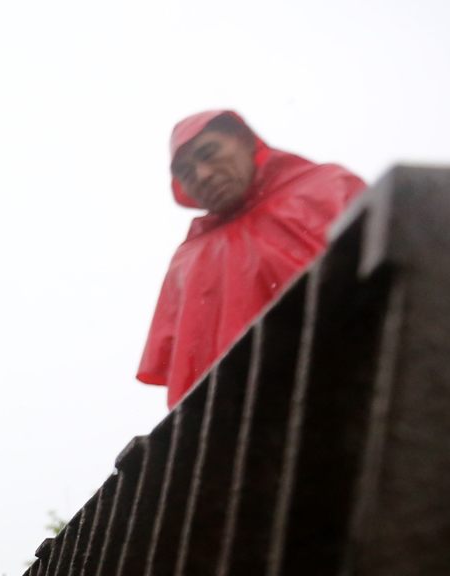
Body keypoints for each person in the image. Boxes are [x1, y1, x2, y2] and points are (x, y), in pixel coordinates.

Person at [137, 110, 366, 407]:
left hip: (353, 378)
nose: (203, 175)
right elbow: (189, 377)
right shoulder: (188, 262)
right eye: (186, 173)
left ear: (245, 140)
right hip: (252, 420)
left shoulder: (327, 189)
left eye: (209, 153)